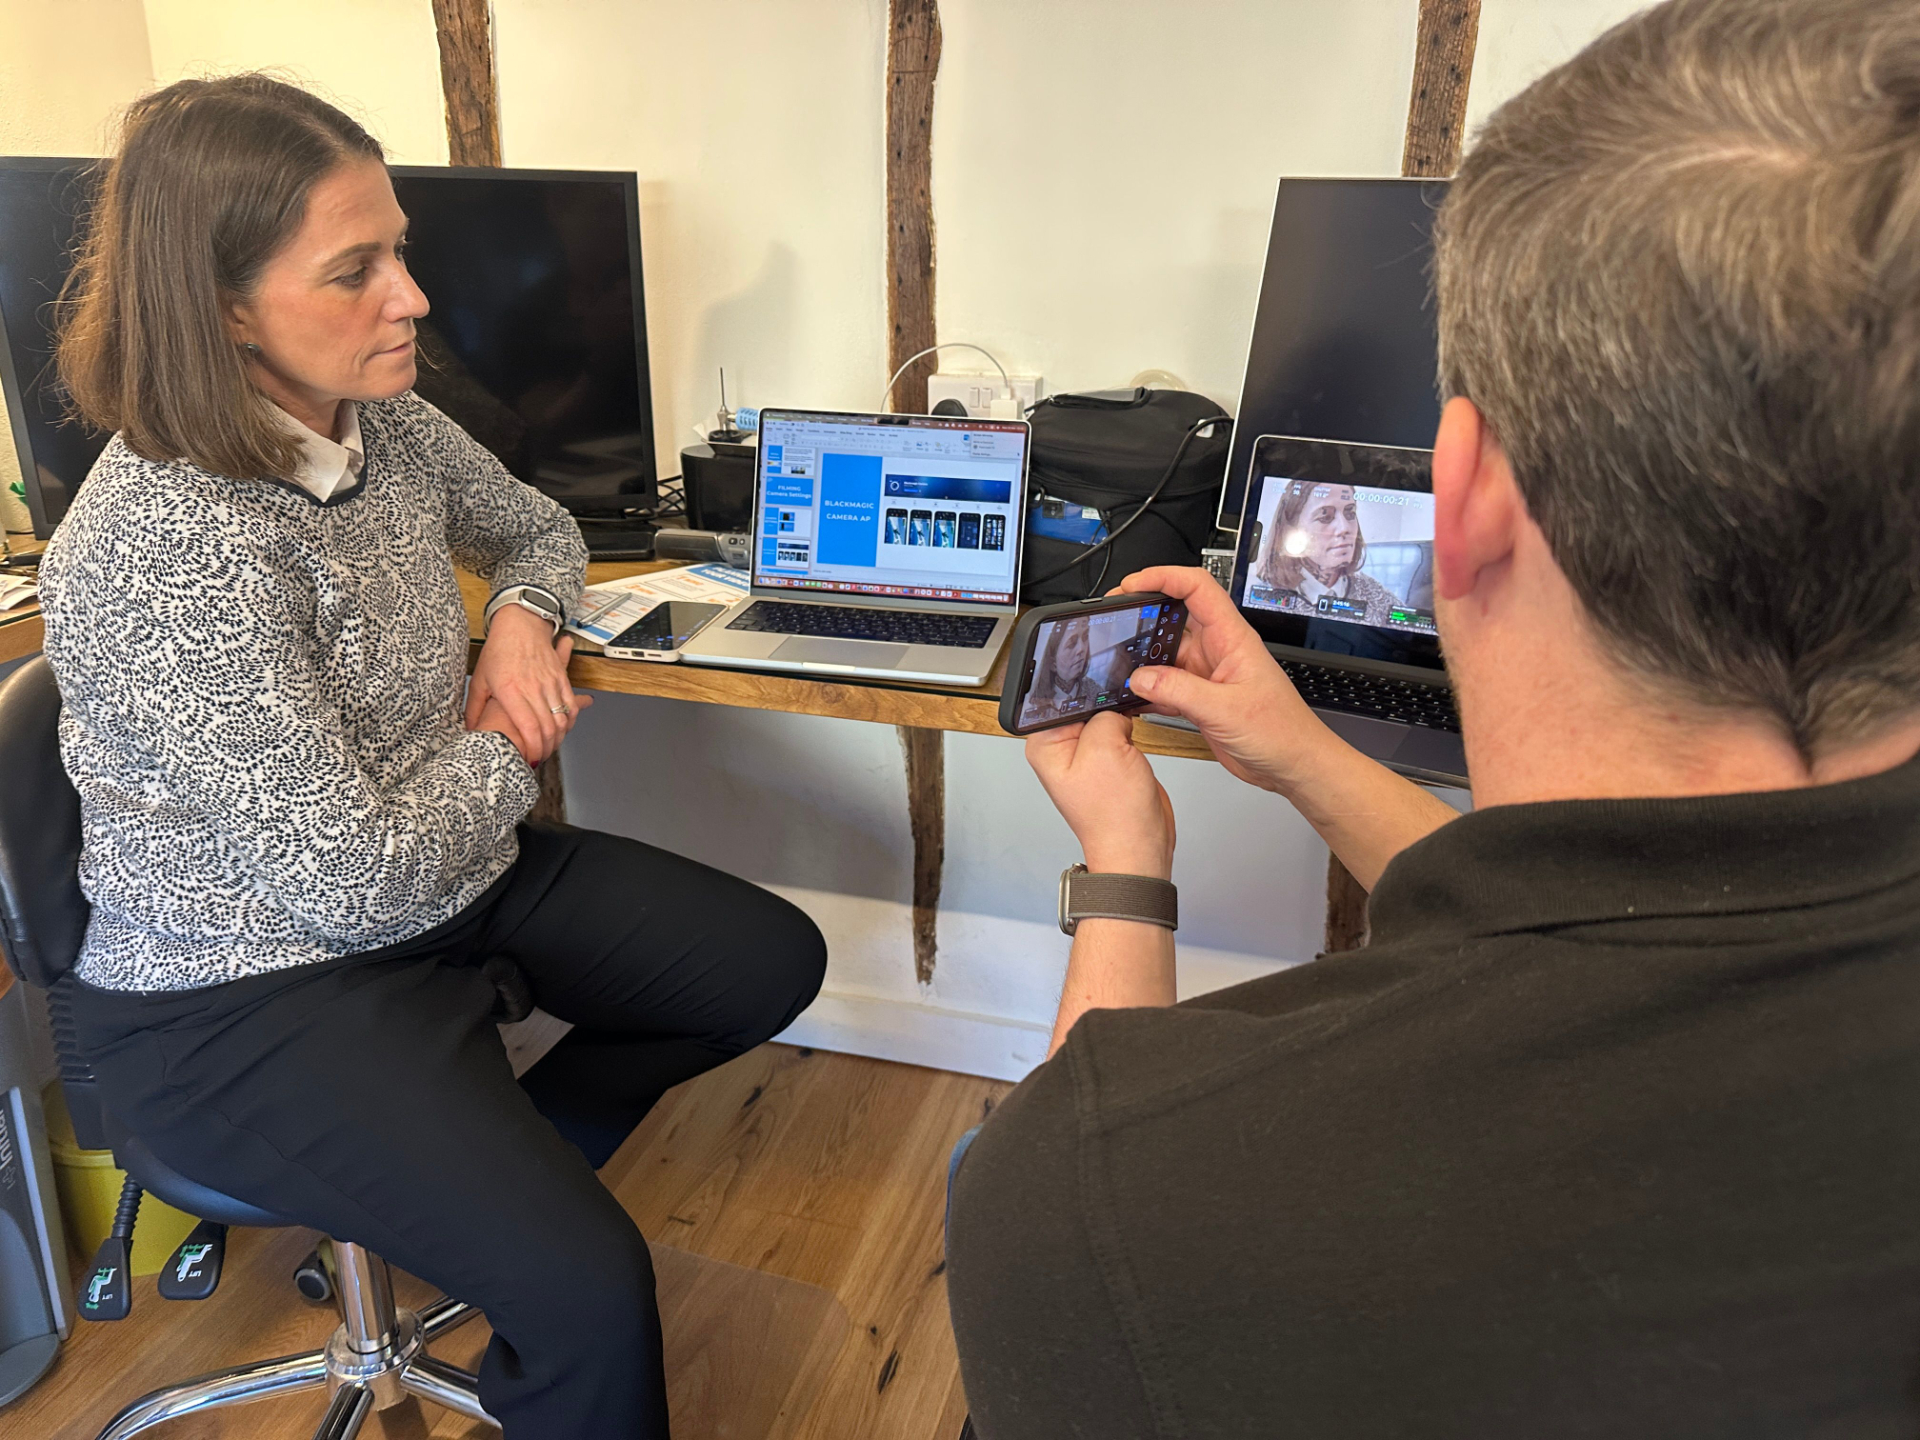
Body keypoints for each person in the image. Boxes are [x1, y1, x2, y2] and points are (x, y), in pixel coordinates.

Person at [945, 0, 1920, 1434]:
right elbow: (1596, 912)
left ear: (1456, 496)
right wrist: (1302, 753)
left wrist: (1126, 867)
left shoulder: (1109, 1189)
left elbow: (1070, 1160)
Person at [38, 76, 825, 1438]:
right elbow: (351, 888)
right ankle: (524, 1243)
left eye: (398, 250)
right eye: (358, 271)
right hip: (241, 991)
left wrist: (522, 633)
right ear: (220, 308)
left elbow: (545, 531)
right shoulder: (161, 549)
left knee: (763, 965)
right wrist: (504, 740)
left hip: (434, 873)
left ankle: (499, 1200)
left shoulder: (379, 419)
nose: (411, 297)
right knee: (591, 1293)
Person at [1251, 478, 1399, 623]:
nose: (1344, 528)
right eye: (1325, 517)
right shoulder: (1259, 595)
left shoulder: (1379, 599)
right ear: (1292, 529)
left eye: (1350, 514)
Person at [1019, 614, 1100, 725]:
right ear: (1053, 662)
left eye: (1085, 637)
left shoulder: (1094, 690)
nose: (1082, 649)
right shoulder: (1031, 702)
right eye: (1072, 643)